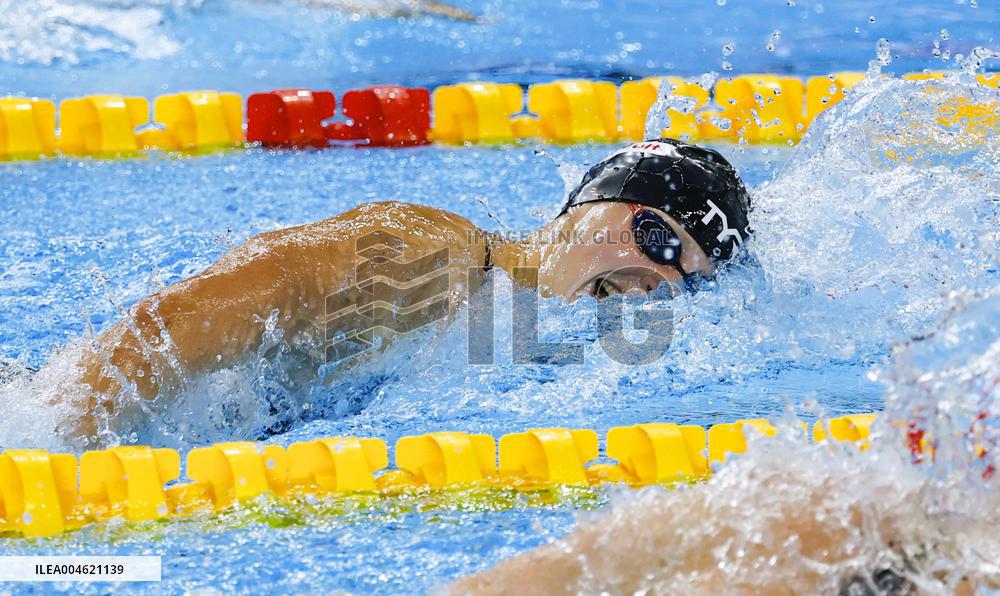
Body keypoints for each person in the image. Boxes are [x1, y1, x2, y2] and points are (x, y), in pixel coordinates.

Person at [65, 138, 751, 442]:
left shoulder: (512, 339)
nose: (653, 282)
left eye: (683, 282)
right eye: (660, 242)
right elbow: (196, 311)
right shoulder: (437, 256)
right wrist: (64, 441)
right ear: (594, 204)